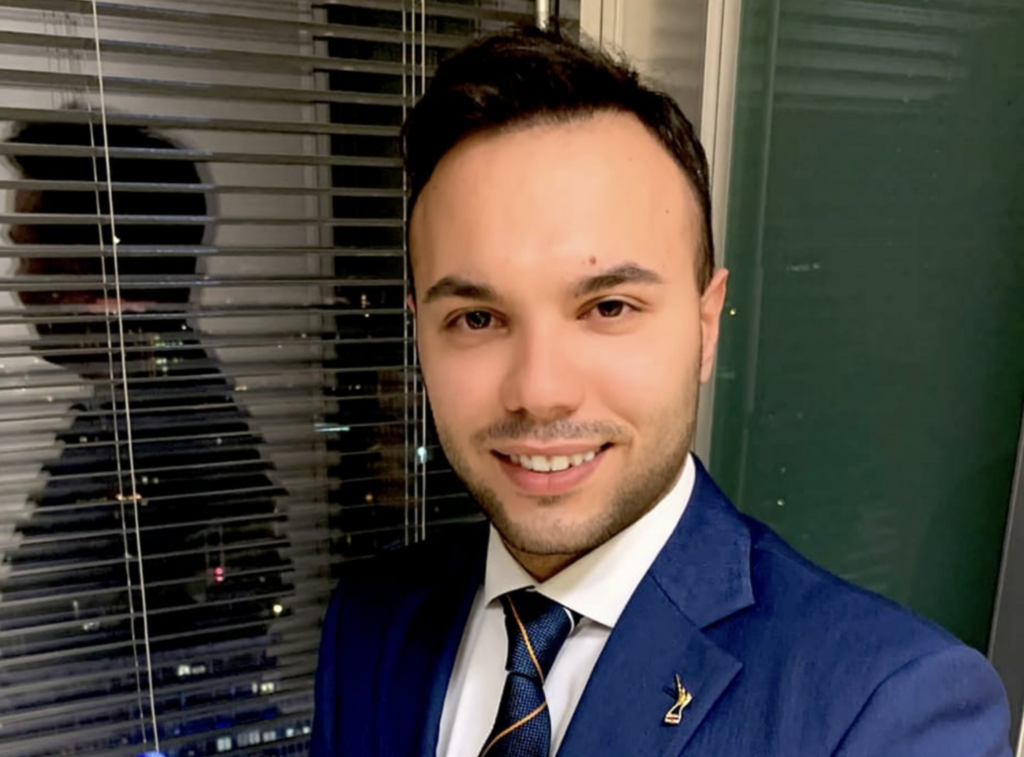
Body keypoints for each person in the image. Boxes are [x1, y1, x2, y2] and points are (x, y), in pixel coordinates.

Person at [310, 25, 1012, 757]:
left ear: (706, 327)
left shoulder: (885, 707)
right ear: (420, 332)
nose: (540, 391)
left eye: (609, 307)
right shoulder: (371, 622)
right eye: (477, 318)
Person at [0, 112, 293, 755]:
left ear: (90, 260)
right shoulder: (144, 409)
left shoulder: (157, 430)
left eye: (27, 250)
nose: (18, 282)